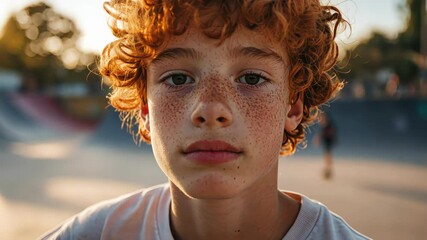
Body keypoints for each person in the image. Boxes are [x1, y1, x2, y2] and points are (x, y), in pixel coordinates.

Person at [40, 0, 370, 239]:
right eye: (179, 79)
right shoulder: (94, 234)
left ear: (293, 107)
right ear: (144, 108)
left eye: (252, 79)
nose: (211, 108)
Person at [318, 112, 337, 179]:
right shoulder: (326, 125)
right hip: (327, 142)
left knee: (328, 157)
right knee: (327, 157)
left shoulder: (328, 125)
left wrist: (320, 138)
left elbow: (330, 133)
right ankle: (328, 171)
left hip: (328, 142)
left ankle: (328, 171)